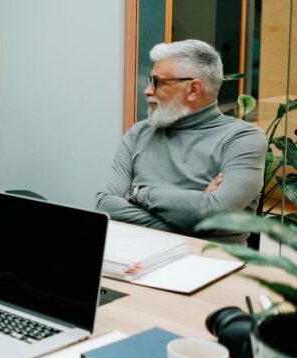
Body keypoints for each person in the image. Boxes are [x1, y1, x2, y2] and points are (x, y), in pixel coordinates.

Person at [96, 39, 268, 243]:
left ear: (194, 89)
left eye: (157, 82)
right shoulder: (138, 133)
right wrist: (195, 213)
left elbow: (216, 214)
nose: (148, 91)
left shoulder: (242, 139)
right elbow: (105, 205)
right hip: (135, 257)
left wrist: (137, 193)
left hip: (211, 263)